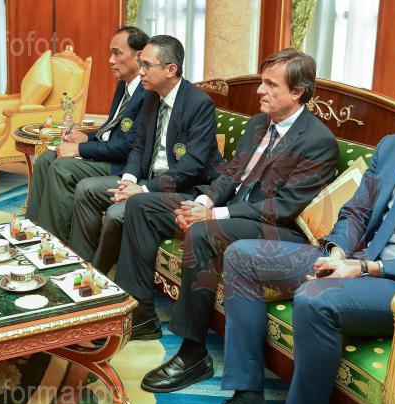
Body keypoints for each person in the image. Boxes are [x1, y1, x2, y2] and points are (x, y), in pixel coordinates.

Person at [181, 39, 395, 404]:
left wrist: (366, 268)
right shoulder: (393, 145)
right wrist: (336, 254)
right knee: (241, 255)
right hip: (351, 261)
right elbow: (356, 211)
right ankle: (248, 400)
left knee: (314, 297)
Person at [114, 48, 339, 385]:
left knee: (203, 233)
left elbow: (282, 207)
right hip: (230, 209)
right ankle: (142, 313)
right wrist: (201, 202)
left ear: (297, 92)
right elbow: (231, 173)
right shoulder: (259, 122)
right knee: (141, 206)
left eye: (271, 84)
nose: (260, 90)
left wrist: (212, 215)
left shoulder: (318, 141)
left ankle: (193, 354)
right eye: (261, 82)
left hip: (274, 228)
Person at [70, 35, 223, 281]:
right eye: (141, 64)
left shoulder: (199, 103)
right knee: (87, 189)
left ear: (171, 69)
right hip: (145, 179)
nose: (140, 71)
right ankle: (78, 261)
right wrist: (128, 180)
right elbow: (139, 145)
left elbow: (191, 166)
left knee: (117, 213)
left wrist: (142, 190)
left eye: (147, 65)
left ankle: (94, 277)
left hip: (180, 188)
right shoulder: (151, 95)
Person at [25, 26, 148, 243]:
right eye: (110, 53)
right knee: (45, 159)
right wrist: (85, 138)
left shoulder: (147, 91)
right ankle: (31, 233)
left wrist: (79, 149)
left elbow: (126, 146)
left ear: (139, 56)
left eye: (117, 53)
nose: (110, 60)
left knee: (62, 167)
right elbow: (111, 130)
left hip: (122, 164)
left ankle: (53, 243)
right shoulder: (124, 85)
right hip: (110, 153)